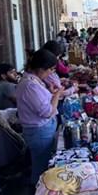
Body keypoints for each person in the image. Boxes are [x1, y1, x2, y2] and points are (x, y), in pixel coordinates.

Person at [16, 49, 64, 183]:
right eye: (50, 70)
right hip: (39, 132)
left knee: (43, 164)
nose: (51, 73)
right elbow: (47, 111)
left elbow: (40, 101)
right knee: (41, 169)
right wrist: (57, 94)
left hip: (42, 129)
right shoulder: (29, 85)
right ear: (41, 68)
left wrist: (50, 93)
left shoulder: (33, 81)